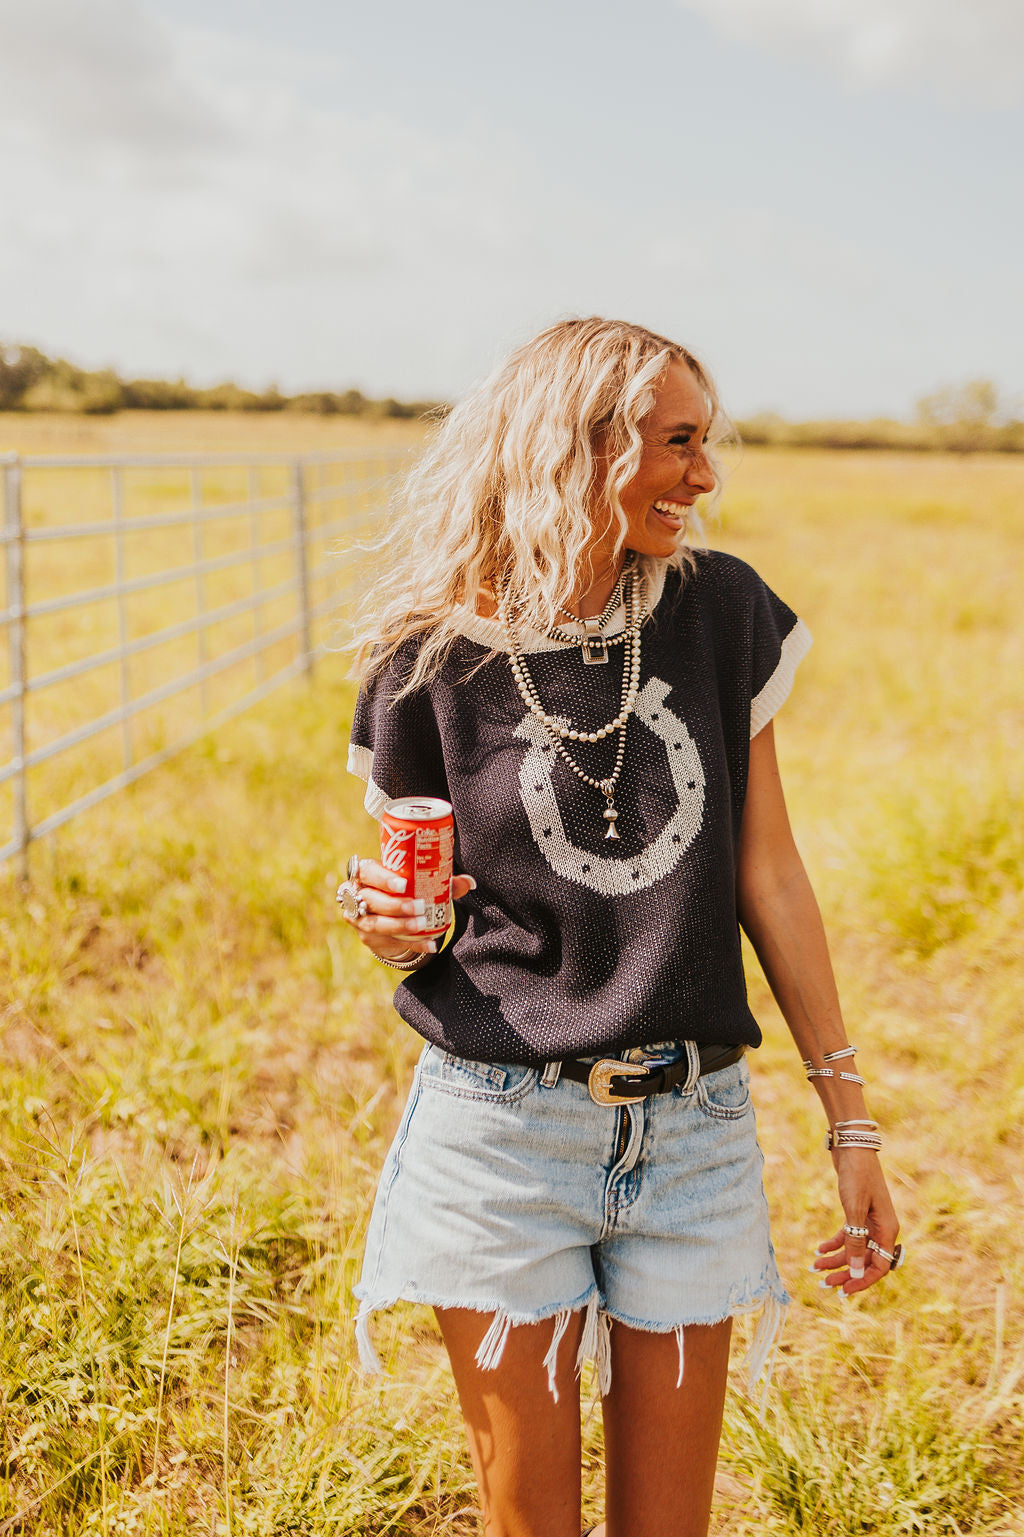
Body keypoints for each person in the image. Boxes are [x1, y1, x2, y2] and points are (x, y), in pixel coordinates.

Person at [337, 317, 901, 1537]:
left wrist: (849, 1119)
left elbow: (770, 876)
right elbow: (411, 899)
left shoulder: (718, 611)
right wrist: (387, 925)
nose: (706, 475)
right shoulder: (424, 660)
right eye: (679, 442)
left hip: (692, 1133)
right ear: (577, 445)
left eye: (706, 443)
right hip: (500, 1137)